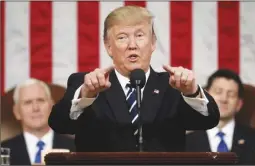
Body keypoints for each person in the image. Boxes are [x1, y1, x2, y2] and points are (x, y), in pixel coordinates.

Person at [48, 5, 220, 152]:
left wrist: (191, 93)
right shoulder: (86, 85)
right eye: (122, 37)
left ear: (153, 43)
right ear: (108, 47)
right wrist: (86, 96)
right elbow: (60, 124)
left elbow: (208, 121)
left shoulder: (173, 85)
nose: (132, 45)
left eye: (139, 36)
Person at [185, 69, 255, 164]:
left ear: (239, 104)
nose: (224, 99)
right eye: (218, 92)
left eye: (231, 94)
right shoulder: (185, 144)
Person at [1, 78, 75, 165]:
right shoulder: (3, 150)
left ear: (52, 107)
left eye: (40, 100)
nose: (35, 108)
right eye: (28, 102)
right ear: (17, 112)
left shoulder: (77, 149)